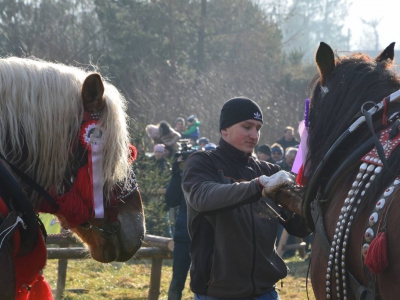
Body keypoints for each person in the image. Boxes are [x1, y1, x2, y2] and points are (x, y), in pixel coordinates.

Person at [182, 97, 311, 300]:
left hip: (266, 292)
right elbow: (203, 198)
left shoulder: (269, 170)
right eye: (247, 127)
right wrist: (258, 186)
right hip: (216, 293)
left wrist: (312, 195)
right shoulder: (202, 162)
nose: (254, 135)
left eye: (258, 128)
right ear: (224, 129)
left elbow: (299, 227)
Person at [165, 156, 192, 300]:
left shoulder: (211, 178)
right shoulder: (183, 179)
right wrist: (176, 176)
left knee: (206, 282)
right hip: (183, 236)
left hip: (206, 238)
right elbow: (171, 200)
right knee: (177, 281)